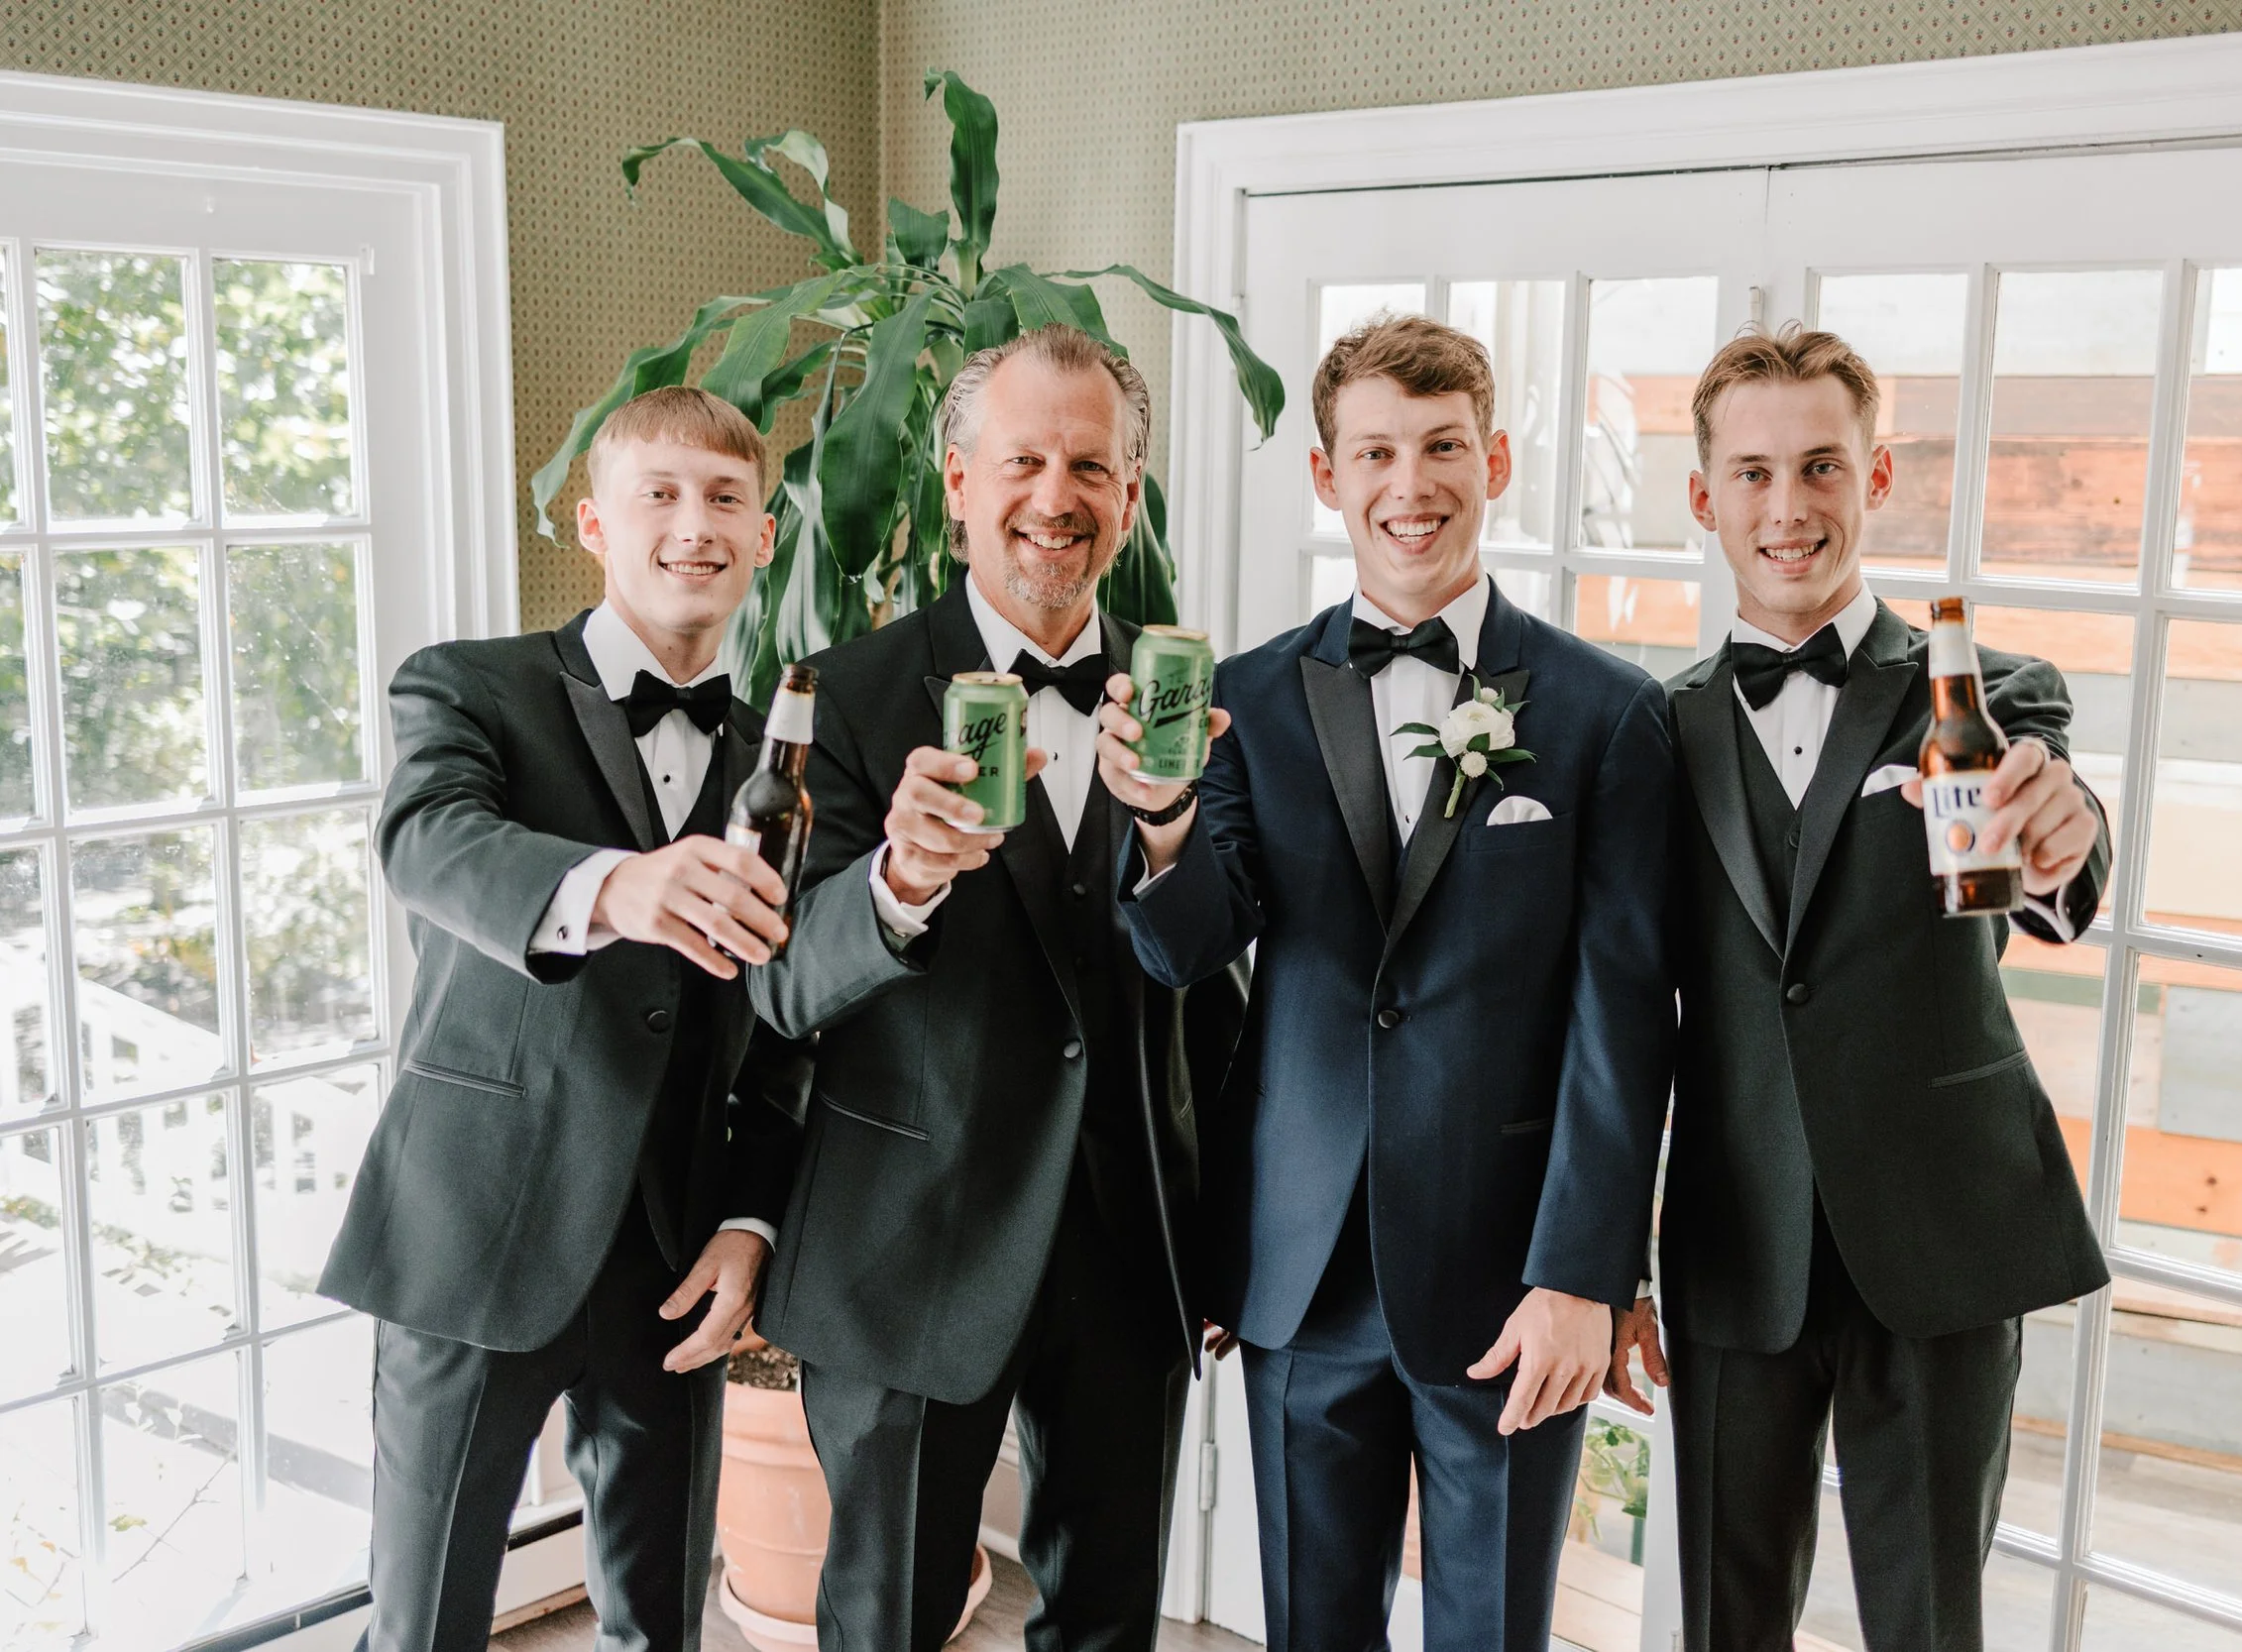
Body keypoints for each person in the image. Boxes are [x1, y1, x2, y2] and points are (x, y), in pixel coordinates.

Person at [1100, 315, 1677, 1652]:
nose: (1408, 484)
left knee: (1493, 1630)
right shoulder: (1245, 697)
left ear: (1499, 460)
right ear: (1326, 474)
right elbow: (1190, 946)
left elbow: (1625, 1013)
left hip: (1510, 1277)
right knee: (1311, 1624)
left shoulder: (1605, 713)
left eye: (1441, 447)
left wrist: (1584, 1273)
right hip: (1298, 1271)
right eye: (1376, 451)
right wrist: (1167, 826)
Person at [744, 325, 1245, 1652]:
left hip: (1129, 1248)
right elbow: (780, 987)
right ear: (959, 482)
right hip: (906, 1245)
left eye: (1092, 464)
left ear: (1129, 499)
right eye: (1023, 458)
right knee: (885, 1616)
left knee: (1110, 1620)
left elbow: (1222, 989)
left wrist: (1173, 837)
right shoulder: (840, 700)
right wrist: (899, 882)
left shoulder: (1197, 700)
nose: (1057, 495)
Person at [1617, 326, 2112, 1651]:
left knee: (1933, 1619)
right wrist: (1608, 1256)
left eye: (1823, 466)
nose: (1790, 508)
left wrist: (2062, 835)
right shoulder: (1651, 732)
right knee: (1726, 1621)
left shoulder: (1992, 692)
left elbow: (2056, 847)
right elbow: (1616, 1014)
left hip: (1946, 1233)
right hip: (1735, 1244)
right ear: (1704, 495)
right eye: (1756, 472)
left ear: (1877, 475)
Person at [319, 385, 812, 1652]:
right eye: (659, 493)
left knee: (661, 1625)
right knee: (424, 1619)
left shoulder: (786, 760)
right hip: (474, 1228)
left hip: (675, 1256)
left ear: (764, 537)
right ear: (594, 522)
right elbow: (429, 842)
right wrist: (613, 885)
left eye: (724, 499)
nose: (692, 525)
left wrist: (750, 1220)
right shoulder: (467, 688)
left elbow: (792, 1027)